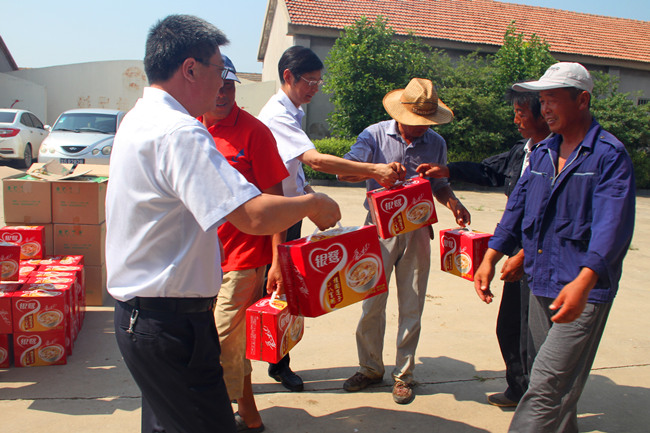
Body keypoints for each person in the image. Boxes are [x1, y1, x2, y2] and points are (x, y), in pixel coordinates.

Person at [106, 15, 340, 433]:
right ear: (190, 69)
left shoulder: (137, 119)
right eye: (218, 71)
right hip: (170, 323)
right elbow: (252, 215)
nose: (222, 85)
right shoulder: (180, 132)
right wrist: (313, 203)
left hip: (142, 316)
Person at [474, 62, 635, 433]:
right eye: (542, 101)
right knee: (554, 387)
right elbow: (517, 207)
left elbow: (612, 227)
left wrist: (585, 282)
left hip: (583, 290)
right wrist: (491, 256)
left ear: (582, 100)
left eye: (552, 100)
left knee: (545, 386)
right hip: (540, 281)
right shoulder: (543, 151)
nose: (544, 109)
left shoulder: (609, 155)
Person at [257, 45, 404, 392]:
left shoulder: (293, 111)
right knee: (267, 289)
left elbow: (293, 167)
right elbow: (315, 160)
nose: (315, 89)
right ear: (288, 76)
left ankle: (278, 361)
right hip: (273, 215)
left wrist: (308, 193)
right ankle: (243, 367)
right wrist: (374, 170)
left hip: (289, 211)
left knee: (286, 290)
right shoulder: (277, 115)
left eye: (319, 82)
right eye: (310, 81)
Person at [338, 77, 471, 405]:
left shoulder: (436, 142)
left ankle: (404, 375)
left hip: (418, 231)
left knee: (412, 304)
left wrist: (454, 203)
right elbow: (344, 172)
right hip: (377, 230)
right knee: (371, 303)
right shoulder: (373, 135)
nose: (421, 128)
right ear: (400, 114)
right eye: (416, 121)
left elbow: (440, 185)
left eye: (427, 123)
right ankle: (370, 367)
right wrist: (378, 170)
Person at [419, 90, 551, 407]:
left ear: (544, 115)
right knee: (511, 326)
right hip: (518, 246)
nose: (515, 119)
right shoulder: (523, 151)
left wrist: (524, 254)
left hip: (543, 253)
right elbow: (490, 171)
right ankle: (519, 388)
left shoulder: (558, 156)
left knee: (536, 331)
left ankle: (540, 399)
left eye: (521, 113)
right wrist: (447, 170)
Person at [198, 55, 285, 432]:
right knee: (230, 342)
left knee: (219, 342)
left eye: (229, 86)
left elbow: (277, 201)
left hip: (245, 257)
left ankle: (216, 415)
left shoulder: (255, 132)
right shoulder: (191, 128)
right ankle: (249, 415)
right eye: (216, 86)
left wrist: (278, 261)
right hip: (203, 257)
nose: (222, 94)